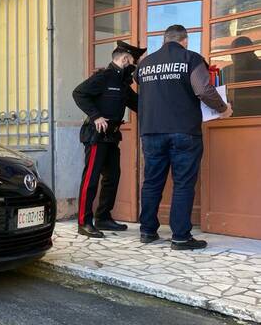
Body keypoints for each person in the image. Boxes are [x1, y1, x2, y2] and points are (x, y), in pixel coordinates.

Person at [136, 24, 233, 250]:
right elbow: (203, 90)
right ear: (185, 40)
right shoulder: (191, 58)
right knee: (183, 184)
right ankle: (180, 237)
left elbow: (140, 83)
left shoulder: (144, 64)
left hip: (151, 131)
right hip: (183, 131)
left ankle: (147, 231)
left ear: (164, 39)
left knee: (151, 182)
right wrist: (222, 109)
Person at [72, 41, 146, 238]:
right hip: (97, 136)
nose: (134, 66)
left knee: (112, 177)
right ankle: (84, 222)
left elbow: (139, 104)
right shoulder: (104, 77)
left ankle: (103, 217)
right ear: (125, 59)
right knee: (91, 179)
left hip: (112, 136)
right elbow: (79, 93)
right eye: (133, 62)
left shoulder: (122, 83)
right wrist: (96, 116)